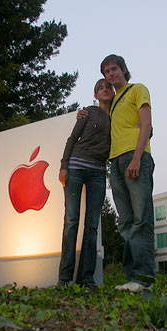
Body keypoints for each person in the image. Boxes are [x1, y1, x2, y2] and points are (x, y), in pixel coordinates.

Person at [100, 54, 155, 293]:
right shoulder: (112, 104)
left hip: (135, 157)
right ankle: (133, 277)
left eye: (114, 69)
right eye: (106, 72)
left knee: (141, 217)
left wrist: (136, 158)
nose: (111, 74)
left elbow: (146, 124)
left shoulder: (137, 90)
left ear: (123, 70)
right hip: (115, 163)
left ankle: (144, 279)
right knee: (126, 222)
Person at [58, 79, 114, 289]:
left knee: (92, 226)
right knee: (71, 221)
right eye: (100, 88)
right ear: (96, 94)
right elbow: (72, 139)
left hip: (98, 174)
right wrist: (64, 165)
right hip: (76, 169)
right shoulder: (88, 112)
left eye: (107, 87)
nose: (105, 90)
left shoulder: (117, 116)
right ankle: (64, 279)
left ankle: (86, 279)